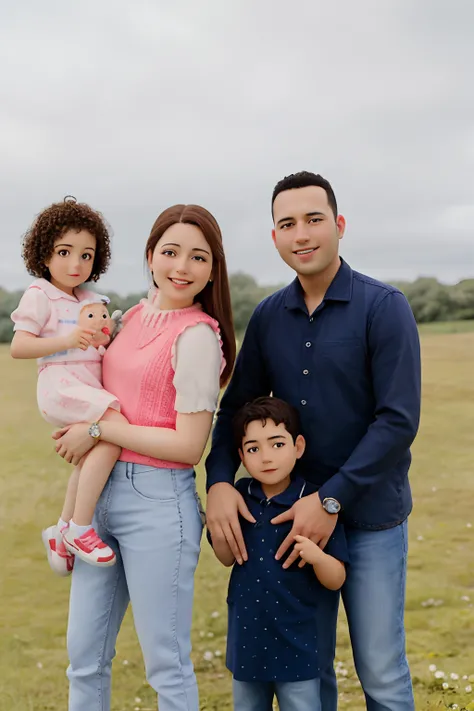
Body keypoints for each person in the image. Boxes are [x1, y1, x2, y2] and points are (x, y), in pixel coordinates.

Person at [206, 172, 421, 711]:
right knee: (308, 669)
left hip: (369, 520)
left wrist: (330, 500)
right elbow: (235, 411)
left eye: (313, 219)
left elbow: (397, 420)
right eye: (287, 224)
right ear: (275, 236)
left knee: (381, 671)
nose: (301, 234)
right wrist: (217, 484)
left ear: (339, 225)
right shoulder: (269, 317)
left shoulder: (383, 306)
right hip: (287, 527)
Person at [50, 204, 236, 711]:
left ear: (212, 268)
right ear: (150, 255)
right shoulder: (129, 316)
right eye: (170, 252)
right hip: (99, 498)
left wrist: (99, 429)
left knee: (166, 666)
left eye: (198, 257)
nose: (182, 266)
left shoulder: (197, 336)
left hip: (157, 505)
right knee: (83, 660)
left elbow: (188, 446)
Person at [209, 396, 348, 711]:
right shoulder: (239, 497)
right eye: (254, 449)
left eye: (277, 444)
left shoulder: (315, 504)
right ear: (242, 456)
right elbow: (226, 557)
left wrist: (316, 555)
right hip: (247, 639)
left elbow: (336, 577)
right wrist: (217, 525)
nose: (266, 457)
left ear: (298, 447)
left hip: (299, 644)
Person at [10, 197, 127, 572]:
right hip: (61, 385)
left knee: (99, 446)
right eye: (64, 252)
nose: (76, 264)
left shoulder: (94, 300)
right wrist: (66, 339)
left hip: (86, 385)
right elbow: (19, 346)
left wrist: (114, 331)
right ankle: (79, 528)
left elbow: (102, 344)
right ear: (44, 254)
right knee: (115, 427)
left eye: (86, 255)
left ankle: (62, 531)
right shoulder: (39, 295)